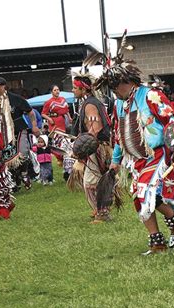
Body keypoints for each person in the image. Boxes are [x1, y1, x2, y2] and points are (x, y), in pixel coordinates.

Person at [87, 30, 174, 254]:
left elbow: (172, 120)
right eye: (111, 88)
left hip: (158, 155)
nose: (114, 91)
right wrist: (115, 162)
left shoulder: (150, 95)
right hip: (136, 159)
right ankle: (156, 240)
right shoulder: (119, 104)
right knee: (138, 196)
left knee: (143, 191)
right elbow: (119, 136)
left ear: (127, 81)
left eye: (116, 86)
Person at [70, 73, 113, 223]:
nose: (73, 90)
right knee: (100, 180)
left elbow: (95, 127)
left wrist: (83, 148)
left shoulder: (89, 104)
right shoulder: (93, 102)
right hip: (98, 146)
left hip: (96, 147)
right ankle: (100, 210)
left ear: (84, 89)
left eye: (75, 88)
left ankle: (102, 212)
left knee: (90, 183)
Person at [0, 77, 40, 191]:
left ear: (3, 87)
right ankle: (13, 180)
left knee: (22, 152)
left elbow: (30, 111)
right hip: (1, 134)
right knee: (6, 157)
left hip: (19, 130)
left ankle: (24, 173)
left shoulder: (15, 99)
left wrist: (34, 126)